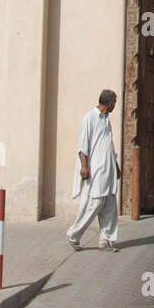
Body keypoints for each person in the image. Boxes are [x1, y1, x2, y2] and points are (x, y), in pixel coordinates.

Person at [67, 89, 120, 251]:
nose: (115, 106)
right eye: (115, 103)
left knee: (110, 205)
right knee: (94, 204)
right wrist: (84, 166)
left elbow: (108, 145)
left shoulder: (106, 120)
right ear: (110, 103)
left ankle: (106, 239)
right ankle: (74, 235)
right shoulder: (89, 118)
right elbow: (83, 146)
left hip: (108, 169)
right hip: (96, 170)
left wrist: (116, 166)